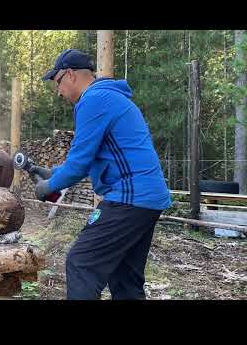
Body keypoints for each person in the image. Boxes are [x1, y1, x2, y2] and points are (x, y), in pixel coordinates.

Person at [32, 49, 171, 300]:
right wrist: (52, 172)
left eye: (58, 83)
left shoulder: (93, 100)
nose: (58, 91)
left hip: (130, 197)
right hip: (147, 198)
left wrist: (47, 186)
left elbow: (79, 165)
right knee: (125, 279)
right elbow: (88, 156)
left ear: (70, 74)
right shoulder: (107, 97)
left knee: (81, 263)